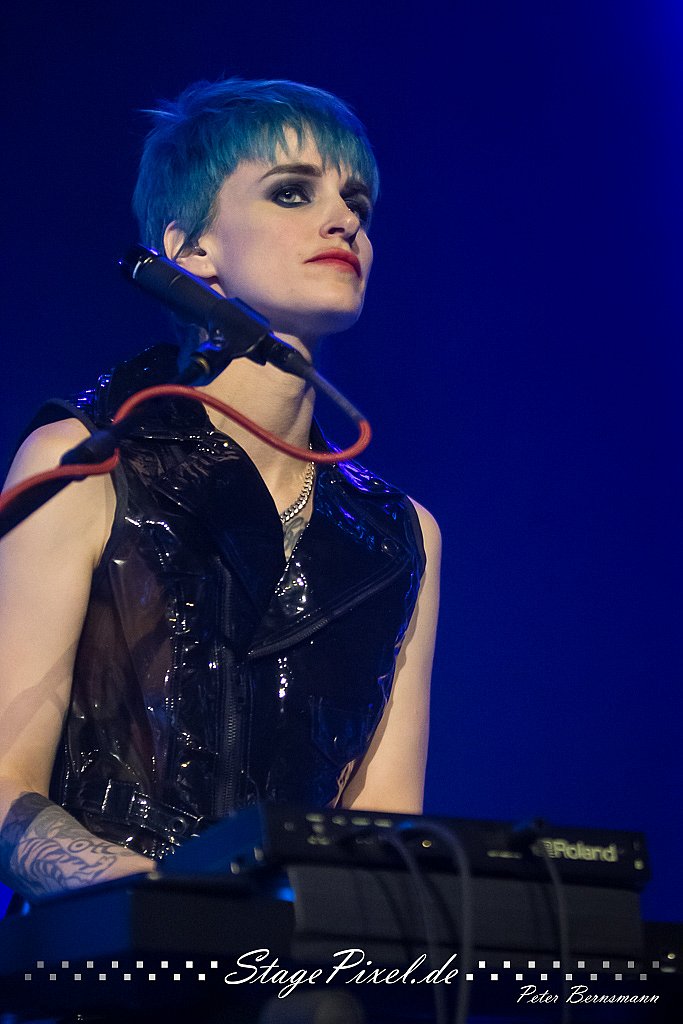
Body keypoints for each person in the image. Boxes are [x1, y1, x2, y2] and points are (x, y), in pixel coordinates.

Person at [0, 79, 440, 902]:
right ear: (191, 248)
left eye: (356, 203)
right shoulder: (83, 460)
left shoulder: (400, 533)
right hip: (100, 952)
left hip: (295, 959)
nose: (343, 220)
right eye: (292, 193)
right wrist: (158, 898)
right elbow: (2, 782)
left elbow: (381, 826)